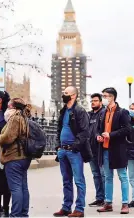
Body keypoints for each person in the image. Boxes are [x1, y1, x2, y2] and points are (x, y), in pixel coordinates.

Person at [53, 86, 92, 218]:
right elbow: (59, 129)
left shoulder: (80, 111)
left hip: (74, 152)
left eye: (66, 93)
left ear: (74, 95)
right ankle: (66, 207)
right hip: (62, 151)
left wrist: (74, 147)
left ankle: (79, 209)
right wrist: (58, 146)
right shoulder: (63, 111)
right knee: (66, 180)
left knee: (79, 180)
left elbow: (85, 132)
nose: (63, 95)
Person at [0, 98, 33, 217]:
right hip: (24, 157)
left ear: (13, 107)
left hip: (14, 157)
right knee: (23, 187)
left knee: (15, 188)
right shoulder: (25, 118)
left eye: (8, 105)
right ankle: (23, 214)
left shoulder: (15, 118)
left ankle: (16, 214)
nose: (7, 108)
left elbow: (8, 138)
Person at [96, 87, 130, 214]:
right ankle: (108, 203)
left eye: (105, 96)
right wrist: (99, 136)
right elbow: (99, 129)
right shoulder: (103, 112)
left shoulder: (122, 112)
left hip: (118, 149)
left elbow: (127, 129)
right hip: (105, 149)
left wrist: (111, 135)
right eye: (103, 96)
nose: (103, 98)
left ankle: (125, 203)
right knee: (108, 177)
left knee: (122, 176)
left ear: (112, 97)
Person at [87, 93, 105, 207]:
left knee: (103, 175)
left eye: (95, 100)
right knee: (95, 175)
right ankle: (99, 198)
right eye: (92, 101)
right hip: (90, 149)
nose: (93, 102)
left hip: (101, 149)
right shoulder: (88, 115)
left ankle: (106, 198)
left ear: (101, 102)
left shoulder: (103, 113)